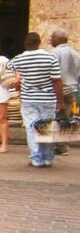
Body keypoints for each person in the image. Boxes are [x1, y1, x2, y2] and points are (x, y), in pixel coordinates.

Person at [8, 32, 63, 168]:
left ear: (25, 44)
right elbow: (56, 81)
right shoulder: (50, 58)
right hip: (48, 99)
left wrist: (18, 84)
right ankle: (48, 158)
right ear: (39, 42)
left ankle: (36, 159)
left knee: (32, 128)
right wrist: (60, 101)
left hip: (28, 99)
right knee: (46, 128)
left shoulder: (18, 59)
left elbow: (7, 75)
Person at [49, 28, 79, 156]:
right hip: (72, 89)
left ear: (58, 39)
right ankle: (63, 146)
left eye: (52, 37)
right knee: (67, 118)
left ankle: (54, 145)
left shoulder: (54, 53)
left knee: (54, 117)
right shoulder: (76, 53)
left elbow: (52, 74)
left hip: (58, 90)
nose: (51, 39)